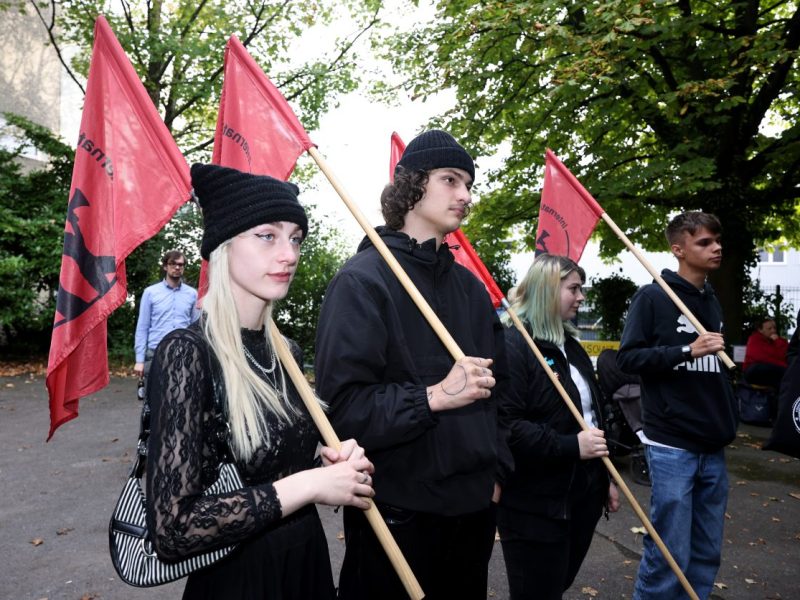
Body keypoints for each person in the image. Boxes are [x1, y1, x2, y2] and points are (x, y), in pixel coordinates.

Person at [144, 164, 375, 600]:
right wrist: (308, 486)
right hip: (240, 581)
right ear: (224, 247)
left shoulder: (286, 351)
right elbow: (173, 529)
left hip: (306, 566)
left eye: (295, 238)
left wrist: (327, 470)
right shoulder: (187, 352)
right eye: (267, 236)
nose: (288, 254)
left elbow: (277, 471)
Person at [315, 130, 511, 600]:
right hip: (398, 515)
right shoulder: (362, 281)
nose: (465, 195)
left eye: (469, 184)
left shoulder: (470, 288)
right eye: (451, 179)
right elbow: (341, 409)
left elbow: (501, 392)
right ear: (412, 185)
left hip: (474, 513)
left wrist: (497, 474)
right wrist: (435, 397)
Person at [617, 211, 737, 599]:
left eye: (717, 240)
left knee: (706, 553)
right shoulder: (653, 297)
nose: (716, 248)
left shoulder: (711, 299)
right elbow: (629, 360)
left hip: (712, 443)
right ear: (678, 249)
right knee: (670, 551)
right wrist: (686, 350)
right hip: (672, 445)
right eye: (704, 242)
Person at [497, 254, 620, 600]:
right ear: (546, 290)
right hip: (534, 502)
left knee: (556, 584)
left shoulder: (573, 347)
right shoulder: (514, 345)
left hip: (582, 494)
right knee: (536, 591)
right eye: (573, 288)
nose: (581, 297)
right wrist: (571, 447)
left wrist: (603, 477)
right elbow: (508, 427)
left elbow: (592, 415)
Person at [133, 250, 199, 380]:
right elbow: (142, 327)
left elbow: (195, 328)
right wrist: (139, 360)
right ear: (165, 266)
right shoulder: (150, 293)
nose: (177, 267)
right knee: (152, 398)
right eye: (173, 263)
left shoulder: (192, 294)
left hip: (183, 352)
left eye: (181, 264)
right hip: (156, 352)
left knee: (181, 398)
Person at [743, 317, 789, 389]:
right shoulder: (754, 339)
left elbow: (786, 354)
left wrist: (777, 341)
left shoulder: (777, 341)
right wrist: (784, 366)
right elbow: (762, 358)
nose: (773, 331)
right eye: (769, 329)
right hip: (754, 371)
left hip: (771, 369)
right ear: (760, 330)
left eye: (774, 328)